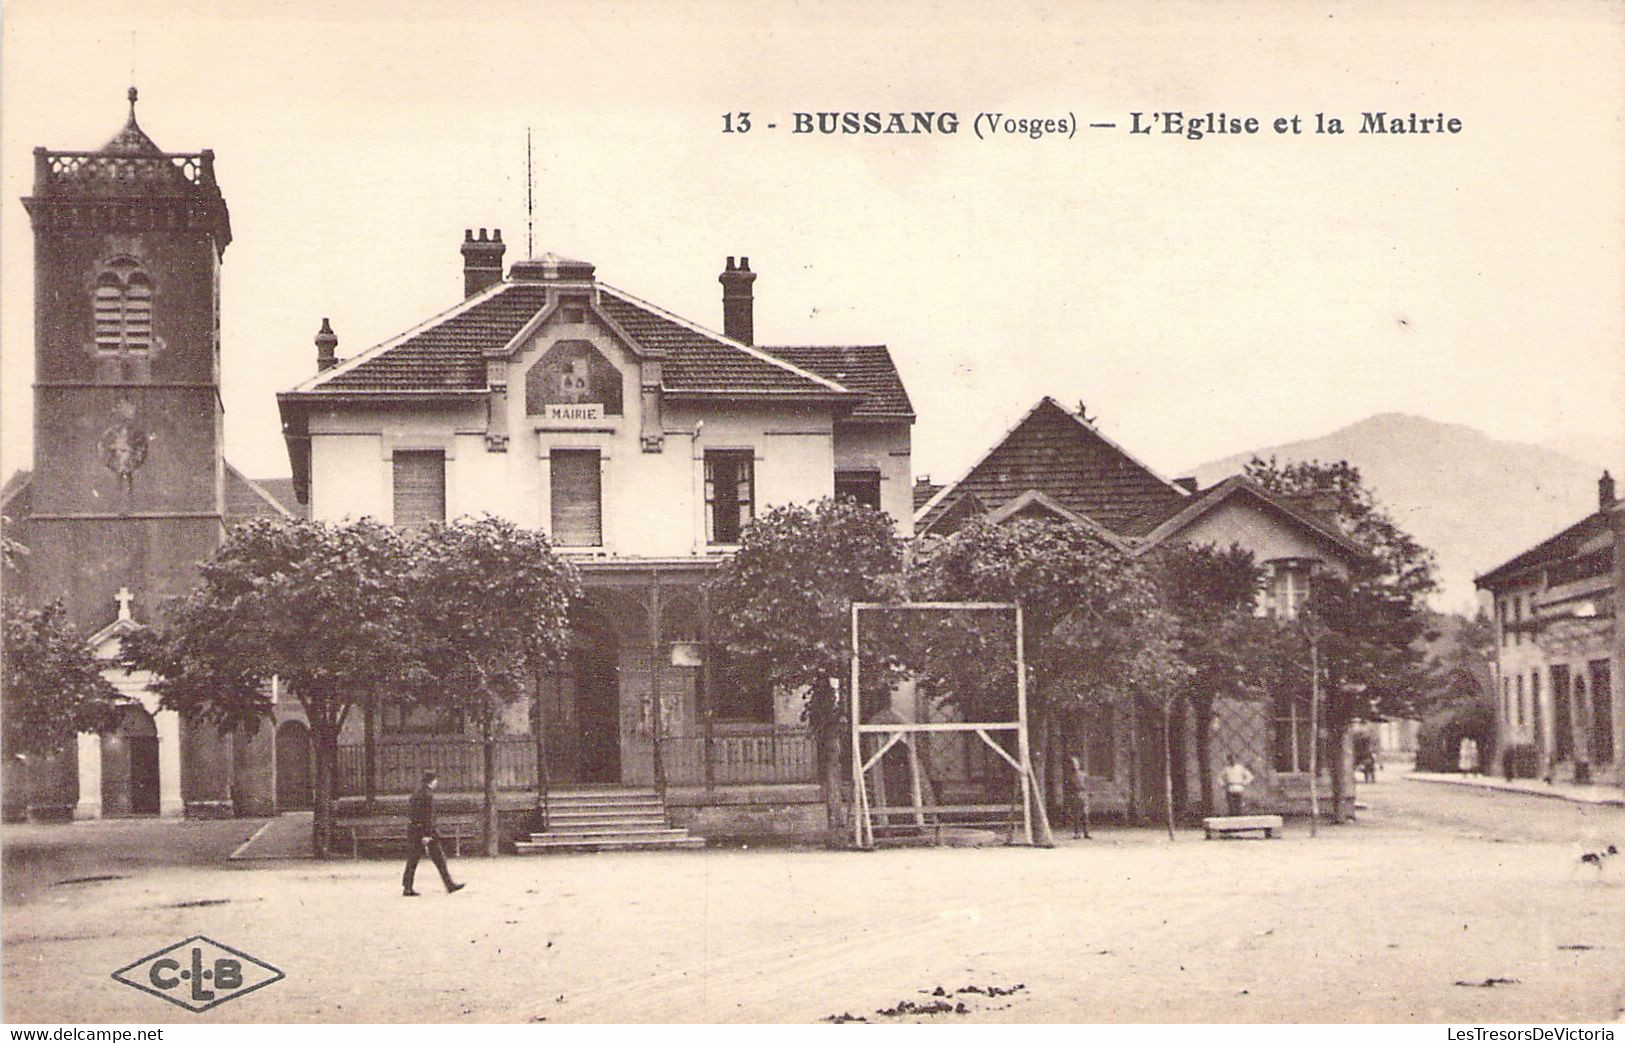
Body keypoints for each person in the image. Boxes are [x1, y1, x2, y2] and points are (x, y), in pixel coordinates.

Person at [403, 770, 465, 897]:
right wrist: (427, 834)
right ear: (433, 781)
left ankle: (407, 886)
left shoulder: (415, 794)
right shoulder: (428, 795)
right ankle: (449, 885)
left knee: (413, 860)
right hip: (426, 832)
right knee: (439, 859)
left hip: (414, 831)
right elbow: (428, 817)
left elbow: (413, 814)